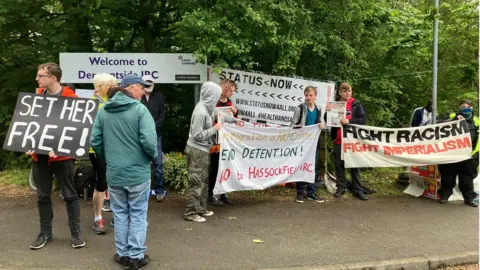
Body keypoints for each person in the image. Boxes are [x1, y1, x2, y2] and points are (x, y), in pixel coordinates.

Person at [90, 75, 157, 270]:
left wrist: (110, 156)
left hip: (115, 172)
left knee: (120, 214)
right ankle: (136, 256)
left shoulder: (104, 111)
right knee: (137, 214)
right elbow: (150, 143)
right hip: (137, 173)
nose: (143, 92)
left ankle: (123, 254)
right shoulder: (139, 110)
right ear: (130, 88)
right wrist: (148, 157)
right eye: (141, 88)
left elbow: (95, 142)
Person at [28, 62, 85, 250]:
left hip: (62, 157)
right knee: (42, 195)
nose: (37, 79)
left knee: (69, 194)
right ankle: (45, 233)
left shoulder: (72, 99)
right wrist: (28, 144)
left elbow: (78, 131)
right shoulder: (36, 98)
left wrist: (62, 147)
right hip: (41, 156)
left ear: (53, 78)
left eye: (40, 76)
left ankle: (76, 234)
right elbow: (30, 125)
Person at [184, 82, 225, 223]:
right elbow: (197, 134)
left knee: (204, 181)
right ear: (211, 95)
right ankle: (191, 213)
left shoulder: (208, 107)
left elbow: (220, 115)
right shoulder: (200, 112)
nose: (218, 98)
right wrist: (215, 129)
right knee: (196, 182)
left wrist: (234, 119)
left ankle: (200, 208)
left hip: (203, 150)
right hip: (196, 150)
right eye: (216, 95)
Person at [327, 82, 369, 200]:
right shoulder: (335, 104)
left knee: (355, 164)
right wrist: (327, 112)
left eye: (349, 91)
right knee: (339, 165)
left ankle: (358, 189)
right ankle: (341, 187)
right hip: (338, 139)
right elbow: (327, 121)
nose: (347, 93)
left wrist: (349, 122)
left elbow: (363, 121)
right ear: (340, 92)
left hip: (353, 140)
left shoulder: (356, 104)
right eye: (345, 91)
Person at [438, 99, 479, 207]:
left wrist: (475, 153)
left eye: (467, 107)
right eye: (462, 107)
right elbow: (438, 126)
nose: (465, 109)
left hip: (469, 155)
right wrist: (454, 120)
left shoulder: (476, 121)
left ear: (471, 108)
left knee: (467, 178)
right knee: (447, 176)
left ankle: (469, 198)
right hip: (451, 153)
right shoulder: (452, 116)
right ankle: (444, 195)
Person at [90, 73, 117, 235]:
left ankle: (117, 215)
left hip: (115, 149)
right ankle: (97, 218)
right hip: (98, 150)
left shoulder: (114, 102)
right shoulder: (91, 104)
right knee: (101, 184)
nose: (114, 88)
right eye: (111, 85)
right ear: (101, 87)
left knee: (116, 183)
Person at [290, 86, 326, 203]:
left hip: (314, 143)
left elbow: (323, 124)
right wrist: (298, 127)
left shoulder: (319, 109)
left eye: (310, 95)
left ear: (315, 96)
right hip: (302, 143)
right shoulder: (300, 108)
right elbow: (292, 125)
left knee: (313, 167)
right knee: (302, 166)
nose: (308, 98)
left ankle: (311, 192)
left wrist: (322, 125)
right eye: (306, 95)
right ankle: (300, 192)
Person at [208, 79, 238, 207]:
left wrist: (235, 112)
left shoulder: (229, 102)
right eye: (230, 90)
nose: (232, 93)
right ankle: (211, 193)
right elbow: (211, 118)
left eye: (233, 91)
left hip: (227, 140)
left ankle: (223, 192)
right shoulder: (214, 101)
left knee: (226, 166)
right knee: (215, 166)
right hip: (216, 139)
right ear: (225, 88)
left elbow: (231, 120)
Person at [141, 75, 167, 202]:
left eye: (150, 82)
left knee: (158, 164)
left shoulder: (159, 97)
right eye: (145, 83)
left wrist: (151, 128)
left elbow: (162, 116)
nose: (148, 85)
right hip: (139, 135)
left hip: (155, 134)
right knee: (141, 162)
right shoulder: (137, 96)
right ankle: (142, 191)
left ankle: (159, 190)